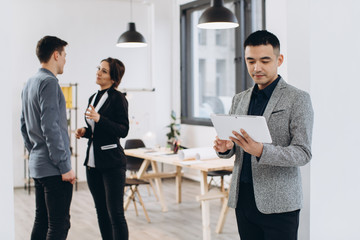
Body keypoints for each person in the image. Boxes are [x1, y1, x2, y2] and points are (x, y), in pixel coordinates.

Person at [213, 30, 314, 240]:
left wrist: (261, 151)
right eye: (251, 61)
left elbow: (303, 153)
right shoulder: (239, 99)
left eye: (265, 60)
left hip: (280, 204)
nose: (256, 68)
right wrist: (227, 149)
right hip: (244, 199)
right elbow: (235, 146)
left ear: (279, 60)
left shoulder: (298, 99)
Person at [20, 36, 76, 240]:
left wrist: (35, 151)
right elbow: (51, 127)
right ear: (56, 54)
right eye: (64, 55)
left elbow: (24, 125)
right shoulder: (50, 83)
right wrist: (64, 165)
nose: (65, 60)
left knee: (42, 221)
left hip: (38, 164)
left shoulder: (30, 83)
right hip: (54, 168)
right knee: (59, 224)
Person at [75, 57, 129, 240]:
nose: (98, 72)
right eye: (99, 68)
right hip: (92, 164)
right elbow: (96, 131)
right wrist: (85, 131)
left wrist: (100, 119)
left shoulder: (118, 98)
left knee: (116, 214)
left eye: (104, 71)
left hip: (112, 164)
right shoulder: (94, 97)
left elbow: (123, 130)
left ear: (114, 78)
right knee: (101, 212)